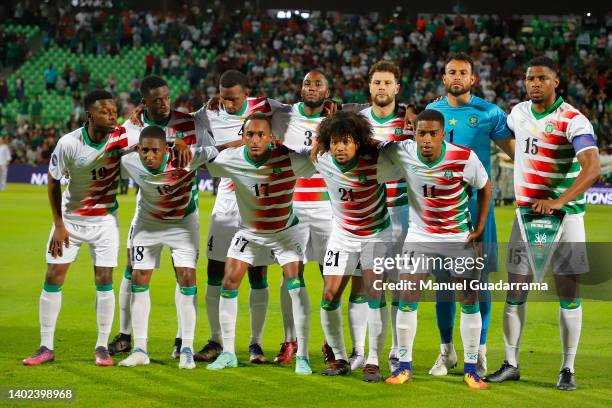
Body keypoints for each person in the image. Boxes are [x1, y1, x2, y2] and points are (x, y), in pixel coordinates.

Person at [485, 56, 600, 391]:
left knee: (568, 293)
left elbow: (591, 168)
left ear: (556, 82)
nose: (534, 83)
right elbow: (509, 140)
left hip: (567, 218)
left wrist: (558, 201)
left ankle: (567, 368)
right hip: (526, 217)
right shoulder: (518, 113)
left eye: (541, 78)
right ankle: (511, 363)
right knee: (515, 291)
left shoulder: (572, 119)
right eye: (529, 78)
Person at [380, 109, 491, 390]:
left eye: (432, 134)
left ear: (443, 134)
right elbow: (372, 148)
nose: (426, 140)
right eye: (421, 133)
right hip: (420, 236)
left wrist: (478, 228)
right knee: (407, 297)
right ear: (414, 134)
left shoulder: (464, 157)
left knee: (468, 299)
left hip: (457, 237)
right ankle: (404, 367)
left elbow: (485, 187)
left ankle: (470, 369)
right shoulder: (403, 150)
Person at [116, 126, 236, 369]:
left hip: (183, 224)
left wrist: (180, 142)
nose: (149, 156)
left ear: (165, 150)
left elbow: (224, 147)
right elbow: (106, 157)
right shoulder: (130, 160)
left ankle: (187, 350)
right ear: (138, 149)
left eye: (155, 151)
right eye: (145, 151)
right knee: (139, 279)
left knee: (187, 279)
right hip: (148, 223)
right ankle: (140, 349)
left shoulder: (187, 156)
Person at [22, 90, 127, 366]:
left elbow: (152, 133)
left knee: (104, 281)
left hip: (105, 221)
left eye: (114, 110)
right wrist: (58, 224)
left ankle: (102, 346)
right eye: (106, 111)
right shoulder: (68, 143)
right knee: (54, 276)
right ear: (90, 115)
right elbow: (54, 180)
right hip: (70, 219)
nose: (112, 115)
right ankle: (46, 346)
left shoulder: (122, 136)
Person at [426, 52, 515, 377]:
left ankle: (479, 352)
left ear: (473, 78)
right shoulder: (432, 112)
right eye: (452, 72)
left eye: (463, 72)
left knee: (479, 280)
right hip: (439, 211)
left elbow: (517, 155)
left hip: (478, 208)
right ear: (444, 77)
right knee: (444, 282)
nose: (457, 77)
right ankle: (446, 351)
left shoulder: (490, 113)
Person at [205, 113, 314, 375]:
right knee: (229, 281)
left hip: (286, 232)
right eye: (249, 134)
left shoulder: (289, 159)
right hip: (250, 232)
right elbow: (207, 162)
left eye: (261, 135)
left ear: (271, 138)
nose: (255, 140)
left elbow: (318, 160)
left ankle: (303, 355)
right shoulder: (232, 158)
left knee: (295, 284)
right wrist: (223, 146)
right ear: (242, 137)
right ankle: (229, 352)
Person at [192, 70, 285, 364]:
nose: (228, 104)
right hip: (227, 201)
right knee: (215, 271)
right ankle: (216, 340)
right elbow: (180, 120)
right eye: (223, 98)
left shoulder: (268, 107)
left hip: (259, 199)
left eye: (233, 99)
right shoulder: (210, 112)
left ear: (247, 93)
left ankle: (255, 344)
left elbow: (301, 111)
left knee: (258, 273)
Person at [108, 75, 200, 359]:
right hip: (147, 209)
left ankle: (181, 339)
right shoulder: (131, 127)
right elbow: (112, 152)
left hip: (183, 210)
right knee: (131, 269)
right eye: (156, 100)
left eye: (166, 97)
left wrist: (184, 142)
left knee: (183, 272)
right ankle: (125, 335)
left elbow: (208, 150)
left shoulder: (188, 123)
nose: (163, 104)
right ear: (143, 102)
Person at [309, 111, 397, 382]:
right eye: (334, 141)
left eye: (346, 141)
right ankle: (338, 358)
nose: (339, 147)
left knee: (375, 295)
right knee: (329, 295)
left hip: (376, 236)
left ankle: (373, 362)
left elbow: (404, 149)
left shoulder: (378, 161)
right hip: (343, 235)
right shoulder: (322, 159)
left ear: (358, 142)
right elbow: (283, 151)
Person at [270, 70, 332, 365]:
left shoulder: (337, 119)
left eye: (318, 84)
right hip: (291, 206)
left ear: (327, 92)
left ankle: (330, 342)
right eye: (307, 83)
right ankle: (289, 340)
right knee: (290, 274)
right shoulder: (282, 115)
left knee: (330, 276)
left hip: (326, 207)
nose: (312, 88)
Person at [358, 60, 413, 373]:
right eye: (376, 82)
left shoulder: (409, 122)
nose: (381, 87)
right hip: (372, 215)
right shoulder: (357, 121)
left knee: (401, 287)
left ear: (397, 88)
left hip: (404, 214)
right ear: (370, 86)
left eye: (387, 82)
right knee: (374, 287)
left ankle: (397, 352)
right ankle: (371, 356)